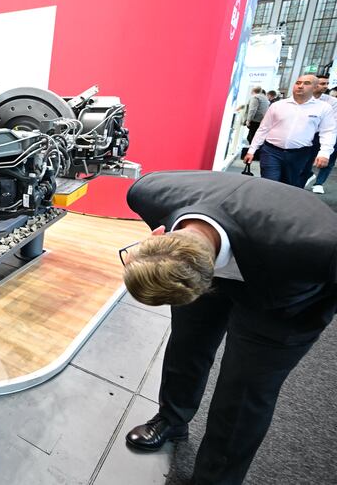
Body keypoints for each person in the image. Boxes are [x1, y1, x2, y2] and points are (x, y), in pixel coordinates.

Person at [120, 170, 337, 485]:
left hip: (286, 293)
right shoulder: (145, 194)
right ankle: (172, 419)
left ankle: (216, 478)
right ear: (158, 235)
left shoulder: (320, 246)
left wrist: (312, 315)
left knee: (245, 389)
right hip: (210, 254)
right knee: (187, 344)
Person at [244, 74, 336, 187]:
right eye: (298, 83)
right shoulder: (278, 105)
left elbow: (328, 132)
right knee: (269, 184)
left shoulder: (323, 108)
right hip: (271, 152)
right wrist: (252, 150)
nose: (300, 86)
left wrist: (324, 153)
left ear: (315, 87)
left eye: (306, 83)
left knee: (289, 187)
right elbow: (263, 129)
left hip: (299, 154)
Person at [305, 74, 337, 194]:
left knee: (328, 159)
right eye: (322, 83)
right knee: (305, 158)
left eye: (327, 84)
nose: (326, 86)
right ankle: (308, 174)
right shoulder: (304, 98)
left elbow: (330, 123)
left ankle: (319, 183)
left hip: (329, 133)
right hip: (309, 134)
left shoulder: (332, 102)